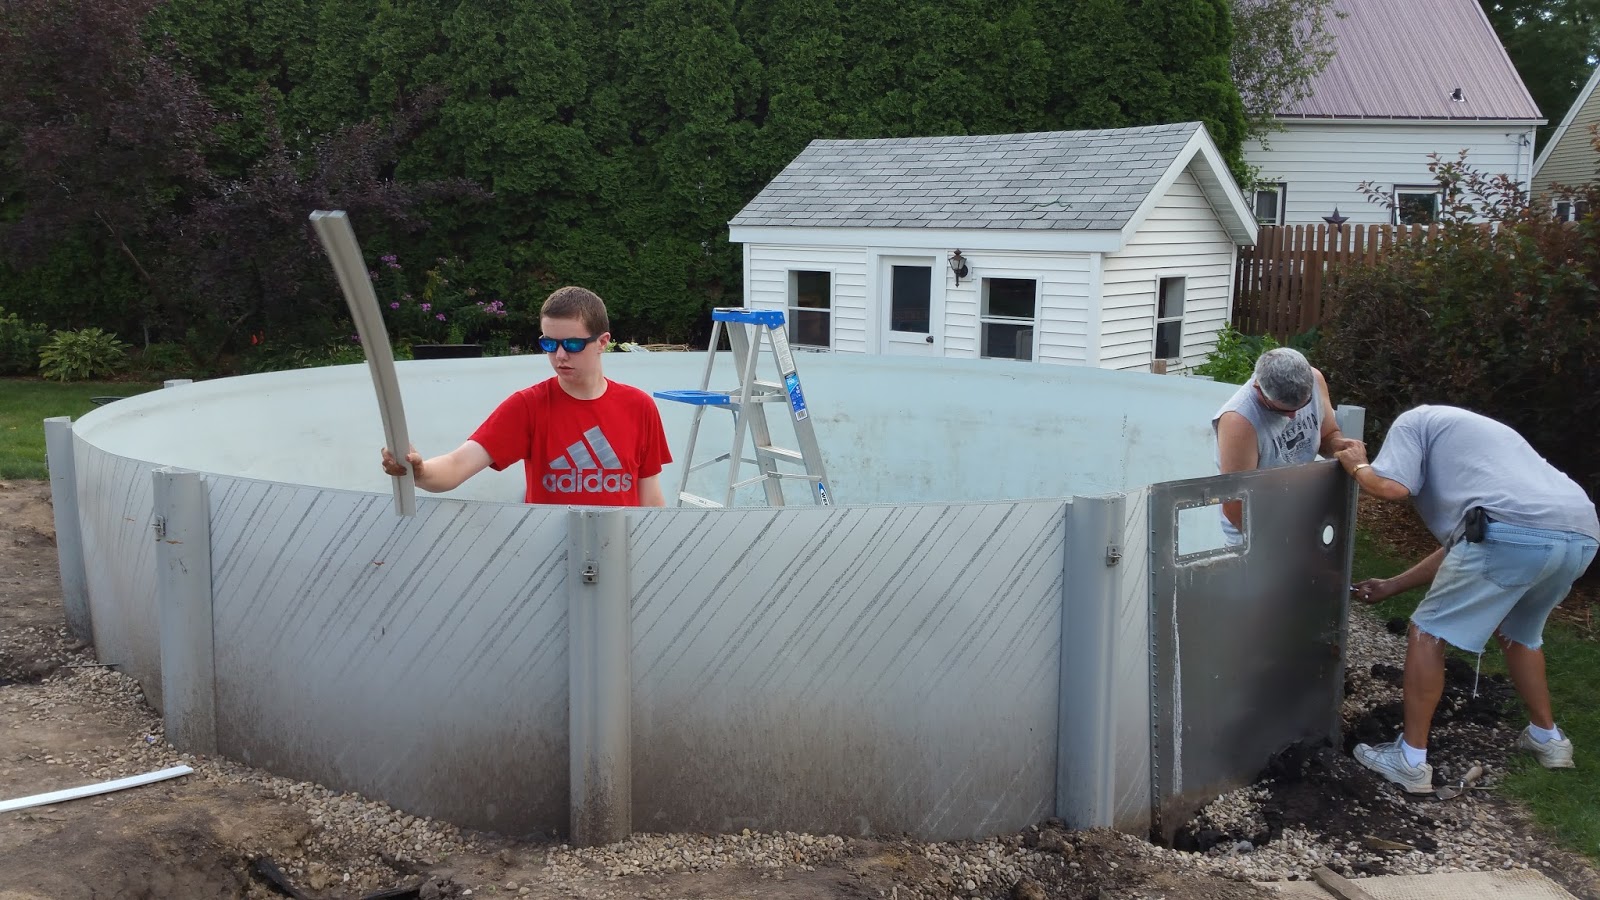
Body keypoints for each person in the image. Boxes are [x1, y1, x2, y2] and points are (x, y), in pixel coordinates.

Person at [1336, 405, 1598, 792]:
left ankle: (1410, 761)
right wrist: (1392, 585)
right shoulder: (1484, 442)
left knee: (1427, 631)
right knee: (1520, 633)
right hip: (1580, 533)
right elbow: (1470, 545)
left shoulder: (1414, 422)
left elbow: (1391, 487)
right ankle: (1549, 739)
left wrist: (1358, 465)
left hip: (1513, 532)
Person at [381, 286, 671, 507]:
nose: (559, 355)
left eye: (571, 343)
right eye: (549, 343)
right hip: (549, 561)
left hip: (619, 561)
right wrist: (418, 471)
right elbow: (458, 465)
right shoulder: (528, 407)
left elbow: (650, 498)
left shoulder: (638, 407)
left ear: (602, 342)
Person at [1212, 347, 1360, 542]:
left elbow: (1328, 434)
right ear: (1258, 388)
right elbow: (1235, 506)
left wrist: (1341, 448)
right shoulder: (1238, 421)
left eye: (1302, 406)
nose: (1292, 416)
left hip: (1299, 516)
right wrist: (1279, 544)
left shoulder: (1315, 379)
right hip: (1256, 532)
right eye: (1282, 410)